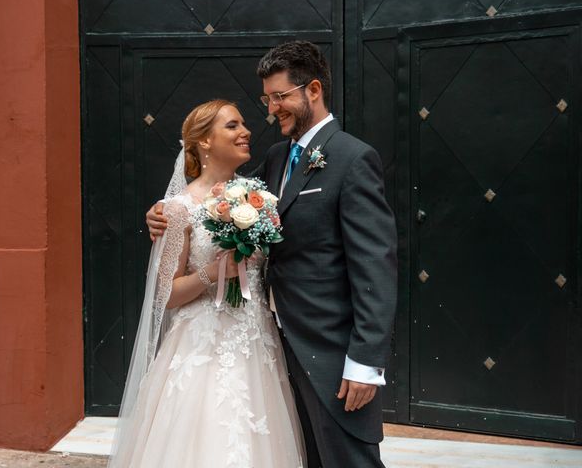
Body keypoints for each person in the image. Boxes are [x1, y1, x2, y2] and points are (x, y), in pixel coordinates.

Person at [147, 41, 398, 468]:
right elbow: (219, 203)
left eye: (279, 96)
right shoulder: (278, 158)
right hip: (275, 348)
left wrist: (365, 362)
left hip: (332, 351)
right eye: (267, 98)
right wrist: (161, 215)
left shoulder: (353, 159)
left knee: (349, 460)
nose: (271, 109)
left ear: (313, 90)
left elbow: (375, 264)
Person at [108, 99, 305, 468]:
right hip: (201, 347)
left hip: (255, 342)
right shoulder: (178, 208)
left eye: (244, 124)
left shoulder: (257, 197)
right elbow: (165, 295)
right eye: (232, 126)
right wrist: (211, 274)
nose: (246, 131)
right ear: (203, 142)